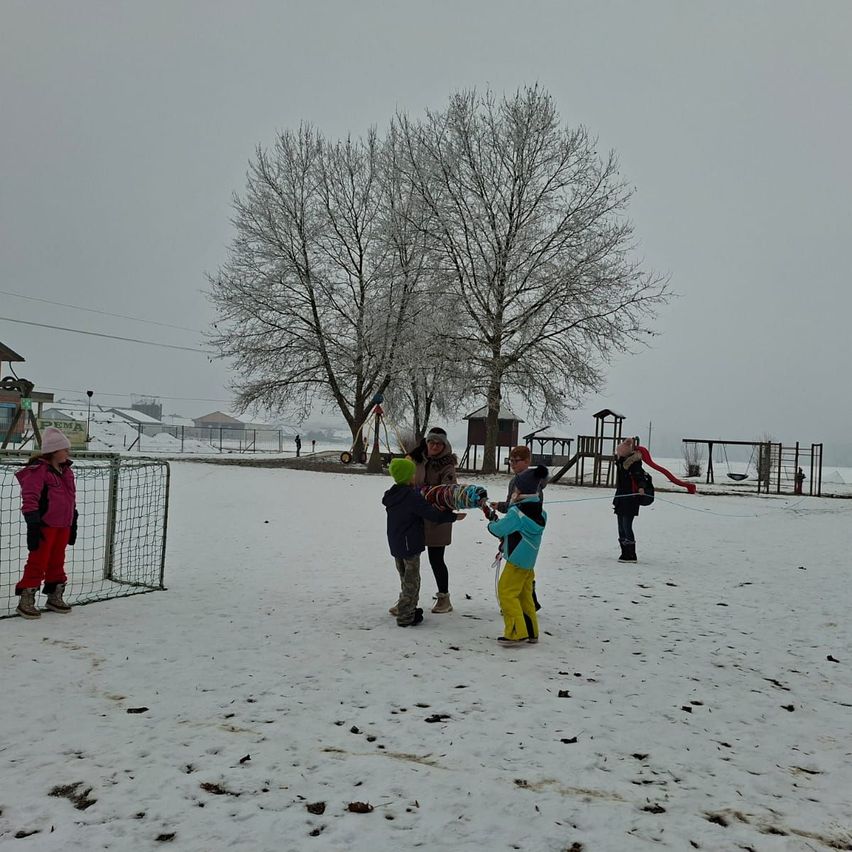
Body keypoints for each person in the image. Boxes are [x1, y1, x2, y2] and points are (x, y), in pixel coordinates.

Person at [382, 458, 462, 627]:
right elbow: (431, 514)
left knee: (405, 578)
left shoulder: (391, 495)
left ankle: (407, 607)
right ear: (408, 476)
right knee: (412, 582)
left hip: (396, 543)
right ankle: (406, 616)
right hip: (410, 545)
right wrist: (452, 516)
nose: (414, 475)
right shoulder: (411, 497)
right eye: (412, 473)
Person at [14, 427, 78, 619]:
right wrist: (33, 524)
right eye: (64, 449)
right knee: (38, 561)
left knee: (58, 560)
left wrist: (73, 519)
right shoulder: (38, 471)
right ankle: (26, 597)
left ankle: (54, 595)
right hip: (45, 525)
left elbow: (70, 498)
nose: (68, 453)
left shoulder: (66, 471)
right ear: (53, 451)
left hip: (63, 525)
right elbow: (30, 498)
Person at [487, 465, 548, 645]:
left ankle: (515, 632)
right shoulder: (541, 512)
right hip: (529, 563)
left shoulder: (517, 513)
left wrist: (491, 524)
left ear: (519, 490)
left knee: (506, 592)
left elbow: (500, 528)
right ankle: (531, 631)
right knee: (524, 595)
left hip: (517, 561)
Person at [414, 427, 458, 613]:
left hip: (437, 518)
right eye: (431, 442)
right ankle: (408, 598)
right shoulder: (418, 458)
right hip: (416, 516)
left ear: (444, 445)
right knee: (410, 560)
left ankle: (444, 598)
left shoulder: (447, 465)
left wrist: (427, 491)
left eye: (439, 443)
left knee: (436, 559)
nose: (434, 446)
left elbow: (450, 491)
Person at [613, 436, 646, 563]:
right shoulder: (621, 463)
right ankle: (624, 552)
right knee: (620, 527)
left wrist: (641, 488)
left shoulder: (634, 464)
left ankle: (631, 554)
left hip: (630, 499)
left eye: (620, 452)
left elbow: (640, 477)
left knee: (627, 526)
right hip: (620, 499)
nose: (618, 454)